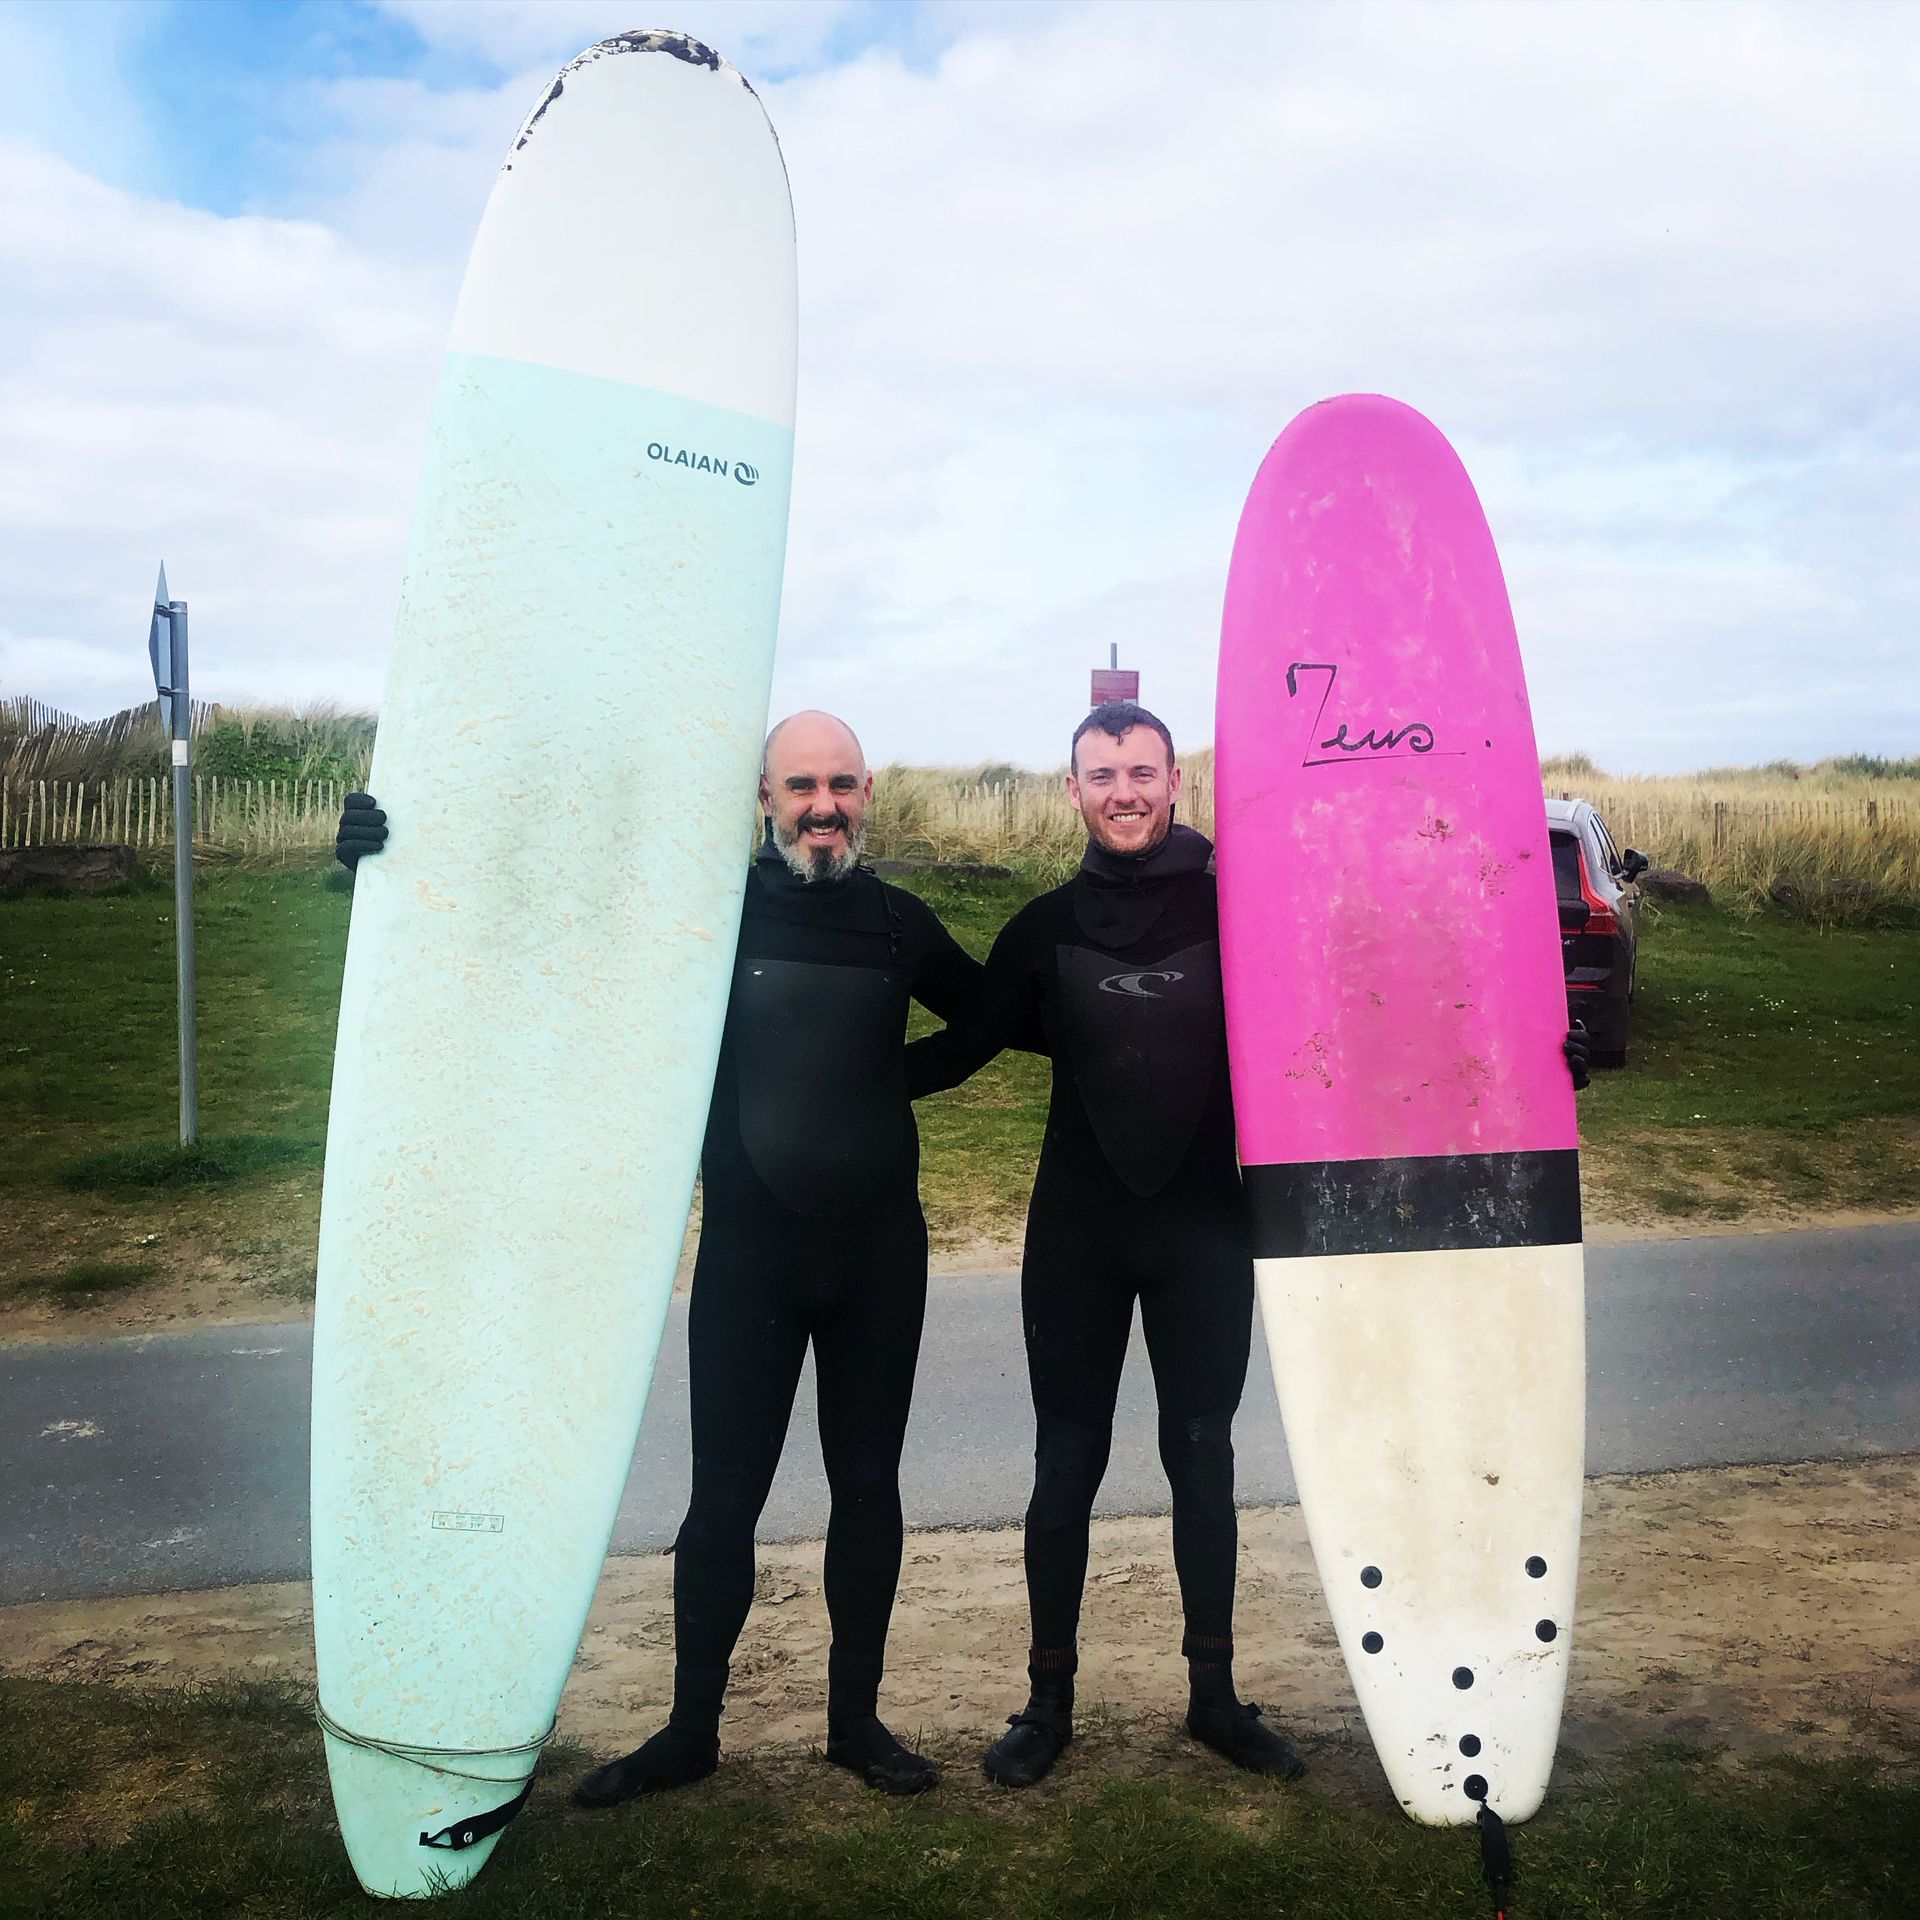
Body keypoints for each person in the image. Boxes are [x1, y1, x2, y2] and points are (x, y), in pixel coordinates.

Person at [904, 700, 1591, 1790]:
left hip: (1206, 1233)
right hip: (1077, 1234)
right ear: (1072, 791)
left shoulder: (1245, 911)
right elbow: (959, 1050)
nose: (1123, 791)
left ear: (1176, 781)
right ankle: (1047, 1703)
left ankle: (1214, 1696)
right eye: (1101, 774)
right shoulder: (1040, 929)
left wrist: (1533, 1046)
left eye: (1141, 771)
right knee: (1064, 1464)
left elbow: (1375, 1008)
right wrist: (820, 1073)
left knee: (1203, 1458)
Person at [336, 711, 982, 1801]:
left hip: (880, 1256)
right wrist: (395, 861)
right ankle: (691, 1731)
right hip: (753, 1255)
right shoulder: (703, 920)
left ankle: (855, 1724)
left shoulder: (900, 924)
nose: (823, 806)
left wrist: (883, 1084)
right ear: (764, 798)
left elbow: (994, 1019)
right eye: (800, 786)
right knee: (721, 1499)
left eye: (842, 784)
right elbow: (536, 943)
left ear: (868, 792)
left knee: (867, 1484)